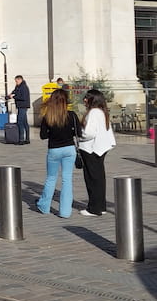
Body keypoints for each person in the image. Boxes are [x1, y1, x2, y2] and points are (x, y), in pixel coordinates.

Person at [36, 88, 82, 217]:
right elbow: (78, 132)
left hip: (54, 149)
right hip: (69, 149)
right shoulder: (72, 115)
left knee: (51, 178)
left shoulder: (48, 116)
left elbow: (43, 136)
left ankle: (44, 206)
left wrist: (52, 132)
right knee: (67, 179)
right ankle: (65, 211)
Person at [78, 89, 116, 216]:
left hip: (91, 148)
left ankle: (94, 208)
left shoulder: (93, 112)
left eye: (87, 97)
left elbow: (89, 132)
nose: (84, 100)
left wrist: (79, 135)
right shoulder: (102, 111)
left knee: (91, 179)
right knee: (99, 178)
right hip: (100, 148)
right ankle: (100, 206)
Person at [8, 74, 31, 144]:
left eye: (17, 81)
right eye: (15, 81)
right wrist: (8, 96)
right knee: (24, 123)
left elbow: (23, 97)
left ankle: (21, 140)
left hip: (23, 106)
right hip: (20, 106)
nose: (16, 82)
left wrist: (14, 97)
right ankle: (27, 139)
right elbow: (14, 92)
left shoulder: (24, 87)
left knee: (20, 122)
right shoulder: (18, 86)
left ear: (20, 80)